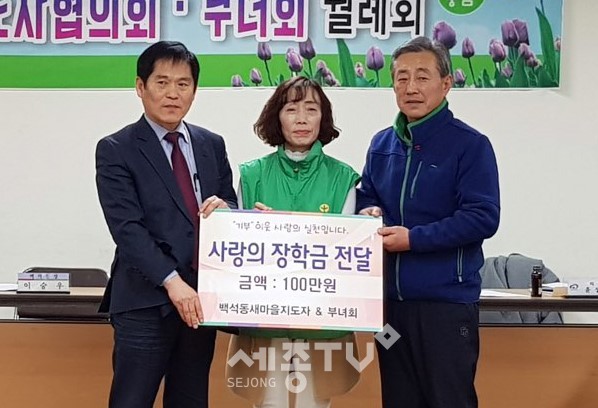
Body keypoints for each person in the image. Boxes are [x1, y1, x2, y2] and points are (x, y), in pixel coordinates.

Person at [356, 36, 500, 408]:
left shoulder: (470, 144)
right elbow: (367, 196)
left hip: (445, 307)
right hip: (390, 308)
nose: (411, 87)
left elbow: (482, 217)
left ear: (446, 83)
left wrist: (413, 239)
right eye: (401, 78)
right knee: (398, 400)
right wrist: (367, 213)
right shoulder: (381, 144)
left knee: (448, 400)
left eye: (422, 77)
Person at [95, 41, 237, 408]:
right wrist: (173, 283)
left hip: (200, 301)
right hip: (145, 301)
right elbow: (127, 229)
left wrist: (227, 209)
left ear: (194, 90)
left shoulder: (211, 144)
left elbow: (229, 204)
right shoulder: (116, 148)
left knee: (191, 399)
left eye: (183, 83)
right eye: (162, 82)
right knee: (131, 400)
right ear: (140, 87)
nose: (173, 93)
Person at [226, 76, 361, 408]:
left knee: (314, 402)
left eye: (311, 109)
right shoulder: (252, 174)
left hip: (324, 320)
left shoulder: (343, 177)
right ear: (277, 117)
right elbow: (236, 250)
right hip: (264, 317)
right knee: (267, 402)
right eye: (291, 109)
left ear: (323, 118)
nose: (301, 119)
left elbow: (347, 253)